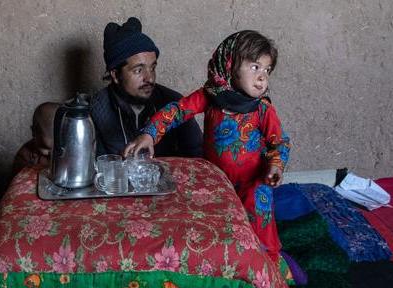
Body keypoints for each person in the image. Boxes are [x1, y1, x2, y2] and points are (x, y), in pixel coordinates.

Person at [124, 30, 290, 261]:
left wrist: (276, 166)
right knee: (211, 226)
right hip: (216, 179)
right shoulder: (210, 96)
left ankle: (267, 267)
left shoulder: (262, 109)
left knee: (258, 220)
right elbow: (178, 111)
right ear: (230, 65)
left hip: (253, 181)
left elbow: (279, 142)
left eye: (267, 70)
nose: (262, 77)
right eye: (255, 67)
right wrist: (150, 134)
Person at [91, 17, 202, 158]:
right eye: (138, 70)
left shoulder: (173, 103)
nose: (149, 78)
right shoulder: (96, 111)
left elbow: (197, 156)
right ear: (115, 75)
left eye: (152, 68)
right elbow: (95, 165)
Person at [11, 102, 59, 175]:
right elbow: (19, 178)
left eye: (57, 148)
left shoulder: (69, 152)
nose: (52, 153)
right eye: (45, 147)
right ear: (34, 132)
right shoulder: (25, 155)